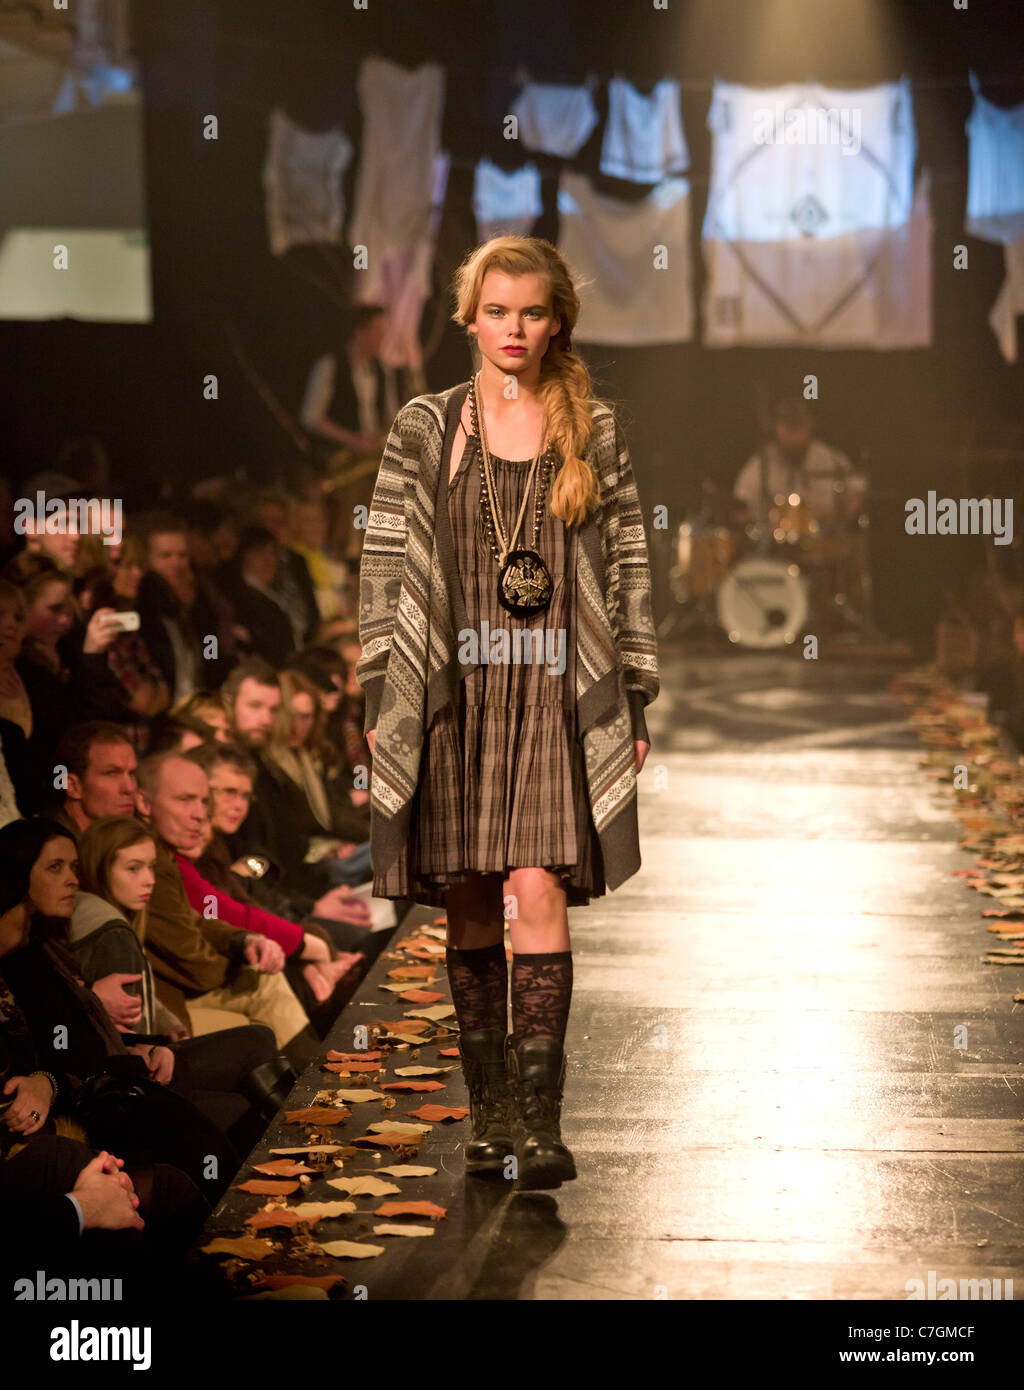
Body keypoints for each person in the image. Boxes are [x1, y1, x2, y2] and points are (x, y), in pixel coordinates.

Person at [357, 235, 659, 1190]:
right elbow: (383, 559)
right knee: (472, 899)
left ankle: (540, 1125)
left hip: (549, 689)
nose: (514, 328)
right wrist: (379, 691)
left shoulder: (594, 428)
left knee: (537, 888)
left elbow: (627, 562)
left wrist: (635, 691)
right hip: (455, 688)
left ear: (557, 318)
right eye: (497, 310)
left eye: (531, 311)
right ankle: (486, 1116)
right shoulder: (425, 425)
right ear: (469, 317)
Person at [0, 818, 246, 1196]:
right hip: (90, 1107)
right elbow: (62, 1055)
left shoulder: (43, 945)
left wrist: (144, 1043)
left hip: (117, 1079)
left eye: (73, 868)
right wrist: (53, 1079)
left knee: (237, 1103)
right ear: (15, 877)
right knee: (220, 1129)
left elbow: (83, 1039)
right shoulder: (27, 953)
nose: (71, 879)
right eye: (55, 867)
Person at [70, 815, 296, 1137]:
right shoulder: (111, 931)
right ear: (98, 867)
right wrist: (152, 1046)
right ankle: (304, 1126)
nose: (148, 879)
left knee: (256, 1045)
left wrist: (165, 1024)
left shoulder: (127, 916)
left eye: (150, 867)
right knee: (252, 1053)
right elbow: (118, 1034)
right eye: (133, 869)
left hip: (153, 1051)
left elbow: (205, 918)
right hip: (135, 1081)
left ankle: (304, 1124)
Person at [133, 749, 319, 1066]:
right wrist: (298, 943)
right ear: (144, 804)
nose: (199, 814)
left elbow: (224, 914)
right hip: (160, 1015)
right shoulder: (149, 859)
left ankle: (316, 1087)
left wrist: (249, 941)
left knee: (273, 987)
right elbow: (199, 952)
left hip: (183, 995)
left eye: (203, 802)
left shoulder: (183, 850)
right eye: (185, 800)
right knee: (265, 1010)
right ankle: (318, 1088)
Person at [732, 397, 866, 529]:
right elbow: (741, 503)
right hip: (775, 545)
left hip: (825, 541)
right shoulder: (761, 464)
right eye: (788, 427)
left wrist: (843, 517)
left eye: (798, 426)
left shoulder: (830, 458)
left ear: (810, 425)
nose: (793, 435)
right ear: (776, 428)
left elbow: (858, 489)